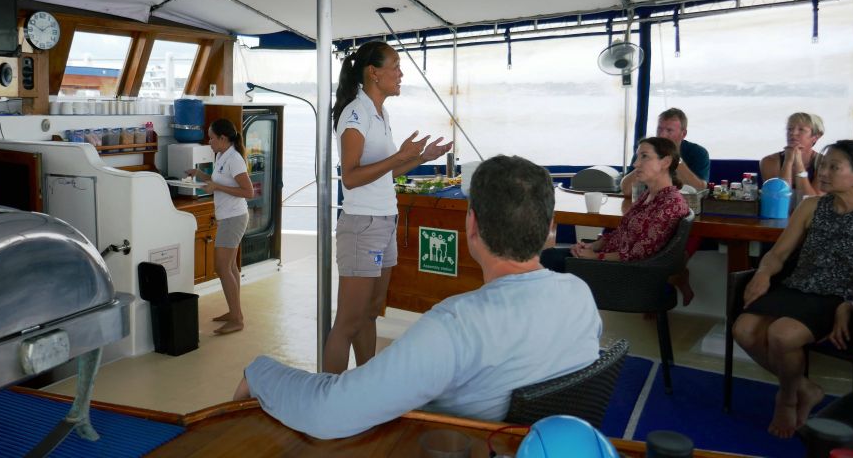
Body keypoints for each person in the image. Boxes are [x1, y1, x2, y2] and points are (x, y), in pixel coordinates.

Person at [231, 155, 602, 439]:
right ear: (551, 230)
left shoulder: (456, 326)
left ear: (470, 225)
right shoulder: (581, 297)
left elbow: (328, 414)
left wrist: (261, 372)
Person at [732, 139, 853, 439]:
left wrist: (852, 302)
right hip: (798, 286)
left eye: (833, 167)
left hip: (840, 299)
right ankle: (805, 388)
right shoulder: (810, 205)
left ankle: (786, 399)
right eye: (823, 164)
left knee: (781, 335)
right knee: (743, 329)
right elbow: (779, 254)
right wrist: (763, 273)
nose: (822, 172)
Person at [324, 40, 451, 374]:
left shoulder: (381, 112)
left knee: (372, 309)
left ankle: (367, 383)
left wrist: (421, 158)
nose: (400, 73)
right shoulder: (355, 113)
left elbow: (384, 174)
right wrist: (400, 155)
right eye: (394, 67)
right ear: (373, 73)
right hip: (362, 227)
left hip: (384, 223)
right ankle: (324, 400)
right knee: (348, 322)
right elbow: (350, 178)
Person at [541, 137, 690, 278]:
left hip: (622, 273)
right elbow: (620, 234)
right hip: (609, 260)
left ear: (666, 162)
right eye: (637, 157)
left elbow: (638, 255)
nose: (636, 164)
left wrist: (596, 257)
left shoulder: (670, 204)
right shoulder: (647, 196)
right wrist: (591, 246)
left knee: (547, 260)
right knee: (548, 255)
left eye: (644, 156)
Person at [186, 118, 255, 335]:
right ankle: (234, 312)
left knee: (222, 267)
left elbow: (248, 192)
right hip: (227, 217)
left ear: (223, 138)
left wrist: (217, 187)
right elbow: (220, 182)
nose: (209, 141)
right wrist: (200, 175)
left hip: (234, 218)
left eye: (212, 137)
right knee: (231, 267)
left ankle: (237, 318)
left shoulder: (234, 159)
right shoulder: (221, 155)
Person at [620, 108, 710, 198]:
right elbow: (627, 190)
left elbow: (700, 189)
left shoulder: (698, 153)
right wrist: (645, 162)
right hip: (649, 204)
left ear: (683, 134)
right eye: (659, 129)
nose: (662, 135)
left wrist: (675, 158)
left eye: (669, 130)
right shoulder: (645, 151)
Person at [760, 112, 825, 198]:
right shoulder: (769, 161)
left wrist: (799, 164)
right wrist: (788, 162)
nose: (793, 133)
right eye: (790, 129)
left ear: (816, 137)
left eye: (801, 129)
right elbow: (779, 199)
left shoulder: (823, 163)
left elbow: (812, 202)